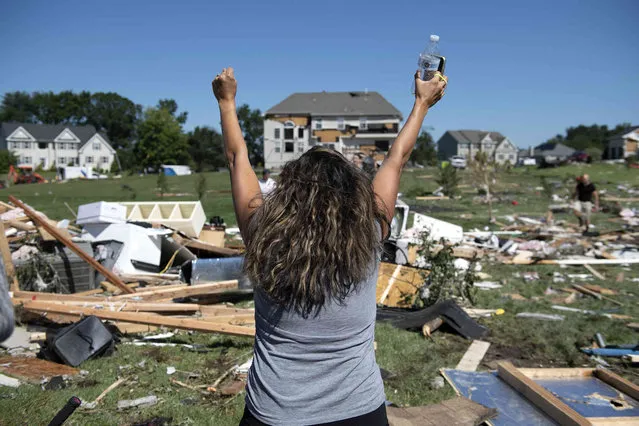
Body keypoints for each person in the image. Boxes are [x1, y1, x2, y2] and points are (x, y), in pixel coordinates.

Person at [212, 67, 446, 426]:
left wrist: (226, 102)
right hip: (359, 411)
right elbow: (396, 159)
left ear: (288, 193)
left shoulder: (263, 233)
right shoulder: (369, 234)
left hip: (275, 413)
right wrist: (421, 103)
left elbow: (235, 158)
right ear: (353, 196)